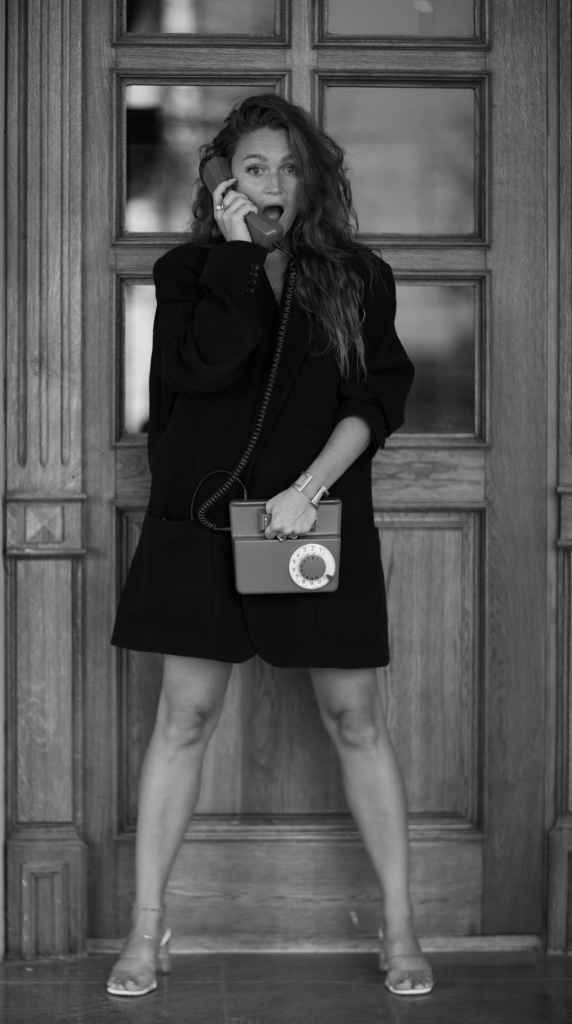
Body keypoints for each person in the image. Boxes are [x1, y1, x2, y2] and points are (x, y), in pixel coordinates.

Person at [107, 93, 433, 999]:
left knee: (356, 718)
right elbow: (200, 369)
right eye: (253, 168)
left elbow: (376, 399)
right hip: (204, 528)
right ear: (223, 180)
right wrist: (239, 261)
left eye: (290, 168)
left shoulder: (357, 277)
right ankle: (146, 930)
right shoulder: (188, 273)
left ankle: (402, 925)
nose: (274, 184)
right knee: (183, 718)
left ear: (313, 180)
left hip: (310, 520)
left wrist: (308, 488)